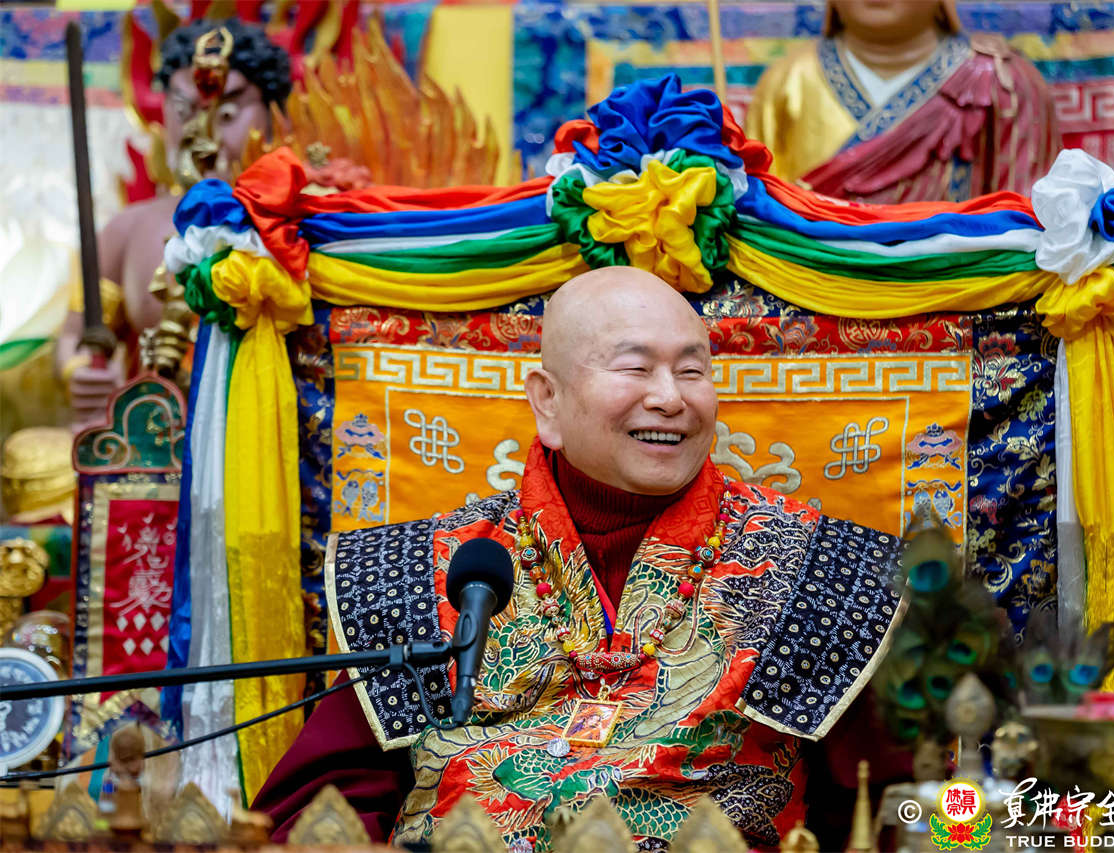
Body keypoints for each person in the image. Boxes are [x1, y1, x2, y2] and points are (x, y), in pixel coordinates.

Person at [253, 267, 910, 850]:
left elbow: (908, 804)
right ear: (548, 400)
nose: (671, 398)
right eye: (635, 368)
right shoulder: (431, 568)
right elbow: (317, 813)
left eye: (692, 371)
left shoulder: (821, 571)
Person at [54, 18, 290, 429]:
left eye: (228, 112)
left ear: (272, 115)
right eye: (184, 111)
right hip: (157, 433)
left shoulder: (297, 225)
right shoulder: (129, 229)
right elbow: (77, 335)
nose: (202, 130)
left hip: (262, 429)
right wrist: (80, 372)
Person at [746, 0, 1059, 204]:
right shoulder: (787, 82)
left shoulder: (1000, 81)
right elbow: (758, 207)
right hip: (809, 278)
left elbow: (1028, 221)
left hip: (956, 280)